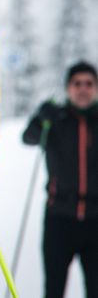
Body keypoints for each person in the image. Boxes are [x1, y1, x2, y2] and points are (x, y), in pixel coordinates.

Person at [23, 61, 98, 298]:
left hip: (96, 220)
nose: (83, 88)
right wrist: (39, 118)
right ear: (68, 88)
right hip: (59, 218)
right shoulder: (57, 120)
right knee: (54, 290)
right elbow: (29, 138)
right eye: (77, 83)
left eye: (89, 83)